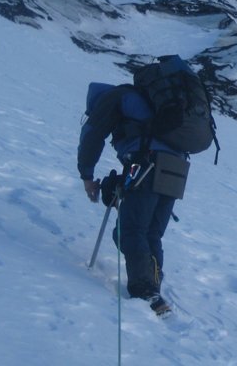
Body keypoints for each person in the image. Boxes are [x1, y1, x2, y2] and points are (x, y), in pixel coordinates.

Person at [78, 82, 182, 313]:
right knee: (150, 232)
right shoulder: (144, 101)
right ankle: (153, 288)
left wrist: (87, 176)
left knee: (129, 230)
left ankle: (145, 291)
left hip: (147, 164)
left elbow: (92, 134)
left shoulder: (112, 99)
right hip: (176, 170)